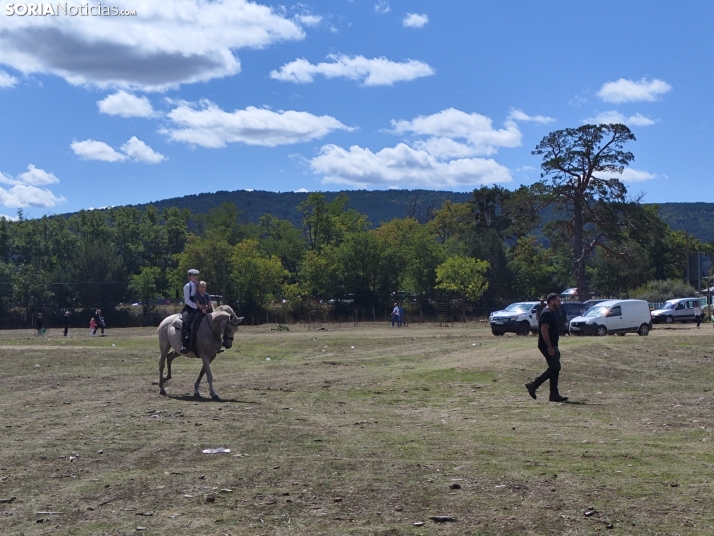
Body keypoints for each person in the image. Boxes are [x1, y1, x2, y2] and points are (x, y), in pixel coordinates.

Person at [525, 293, 568, 402]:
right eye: (558, 301)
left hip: (552, 344)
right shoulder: (547, 313)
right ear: (552, 301)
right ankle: (534, 385)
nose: (559, 303)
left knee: (555, 368)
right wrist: (549, 347)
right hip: (547, 345)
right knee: (555, 367)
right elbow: (544, 330)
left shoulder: (553, 312)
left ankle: (554, 394)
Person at [180, 269, 200, 354]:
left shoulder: (200, 285)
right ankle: (185, 343)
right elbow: (187, 300)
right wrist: (197, 306)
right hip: (189, 308)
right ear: (189, 277)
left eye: (196, 275)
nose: (196, 277)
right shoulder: (188, 286)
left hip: (200, 308)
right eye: (193, 275)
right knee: (185, 321)